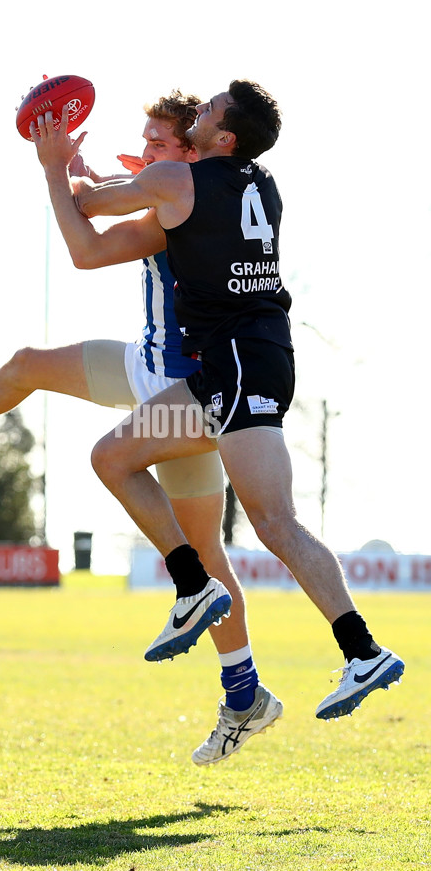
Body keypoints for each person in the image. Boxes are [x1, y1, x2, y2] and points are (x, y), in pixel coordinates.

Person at [0, 91, 282, 766]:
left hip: (185, 395)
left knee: (206, 557)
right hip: (145, 368)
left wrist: (59, 170)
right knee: (28, 363)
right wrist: (84, 172)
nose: (144, 152)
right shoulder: (187, 193)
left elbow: (85, 245)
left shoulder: (179, 210)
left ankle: (242, 687)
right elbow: (113, 195)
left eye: (156, 143)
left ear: (192, 153)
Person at [61, 78, 405, 724]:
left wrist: (57, 165)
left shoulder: (181, 184)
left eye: (211, 109)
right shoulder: (261, 183)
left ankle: (345, 645)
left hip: (238, 368)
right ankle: (207, 591)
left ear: (225, 137)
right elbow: (180, 197)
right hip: (245, 364)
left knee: (275, 523)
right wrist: (143, 171)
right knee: (114, 457)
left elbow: (90, 206)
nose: (200, 110)